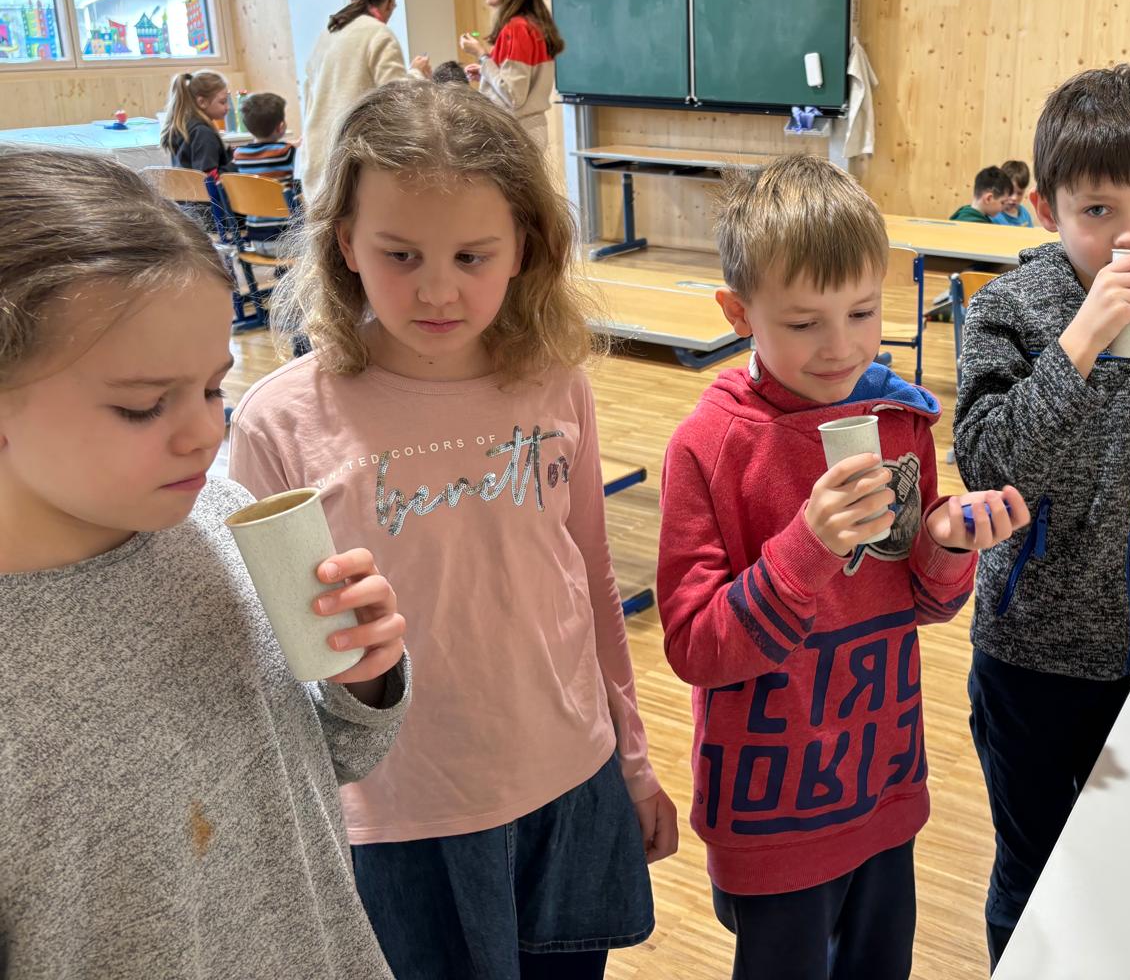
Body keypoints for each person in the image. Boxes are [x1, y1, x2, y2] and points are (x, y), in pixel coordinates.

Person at [229, 79, 674, 980]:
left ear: (523, 248)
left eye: (473, 256)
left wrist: (632, 758)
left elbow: (590, 576)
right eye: (401, 255)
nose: (438, 289)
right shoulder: (280, 423)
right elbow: (269, 669)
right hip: (396, 817)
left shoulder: (556, 382)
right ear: (345, 243)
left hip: (569, 781)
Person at [0, 147, 410, 977]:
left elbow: (324, 762)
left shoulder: (221, 519)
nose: (203, 432)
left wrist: (363, 680)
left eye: (214, 388)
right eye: (144, 405)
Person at [656, 153, 1028, 980]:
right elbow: (693, 646)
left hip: (884, 783)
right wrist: (808, 547)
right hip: (773, 814)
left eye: (863, 312)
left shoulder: (899, 423)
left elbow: (922, 602)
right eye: (803, 323)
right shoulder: (709, 446)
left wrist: (947, 543)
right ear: (738, 312)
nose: (841, 347)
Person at [953, 65, 1130, 970]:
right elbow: (989, 464)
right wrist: (1082, 339)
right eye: (1097, 212)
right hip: (1031, 652)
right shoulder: (1009, 311)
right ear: (1047, 209)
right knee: (1035, 871)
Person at [299, 0, 412, 199]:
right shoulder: (379, 34)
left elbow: (309, 96)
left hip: (317, 161)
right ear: (390, 3)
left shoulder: (327, 35)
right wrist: (418, 74)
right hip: (354, 162)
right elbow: (399, 99)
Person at [440, 0, 562, 149]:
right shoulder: (531, 25)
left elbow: (513, 96)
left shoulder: (517, 28)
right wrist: (485, 72)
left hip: (517, 132)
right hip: (528, 129)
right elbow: (519, 83)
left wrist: (481, 55)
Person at [231, 90, 299, 255]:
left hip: (256, 240)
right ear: (281, 126)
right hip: (287, 241)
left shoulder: (239, 155)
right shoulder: (286, 153)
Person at [159, 68, 233, 174]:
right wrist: (235, 164)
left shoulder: (185, 128)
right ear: (202, 102)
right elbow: (209, 178)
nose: (228, 107)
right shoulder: (203, 133)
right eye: (223, 102)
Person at [990, 160, 1035, 227]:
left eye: (1019, 193)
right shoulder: (993, 215)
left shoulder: (1025, 214)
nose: (1014, 198)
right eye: (1010, 192)